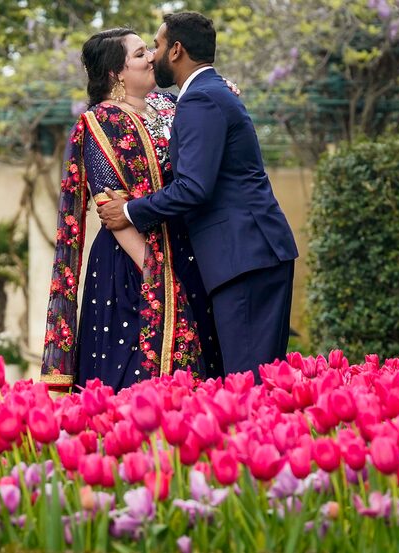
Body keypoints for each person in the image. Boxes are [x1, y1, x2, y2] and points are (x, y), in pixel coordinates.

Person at [98, 13, 298, 381]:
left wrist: (128, 210)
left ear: (176, 50)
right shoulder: (206, 93)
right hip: (248, 254)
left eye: (156, 46)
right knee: (254, 384)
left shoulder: (202, 99)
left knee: (248, 386)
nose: (153, 55)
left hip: (243, 256)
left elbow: (193, 188)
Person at [40, 28, 222, 392]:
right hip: (131, 268)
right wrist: (159, 276)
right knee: (133, 379)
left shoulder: (171, 105)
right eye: (140, 54)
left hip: (189, 253)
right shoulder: (100, 122)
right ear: (116, 73)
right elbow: (111, 209)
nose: (153, 57)